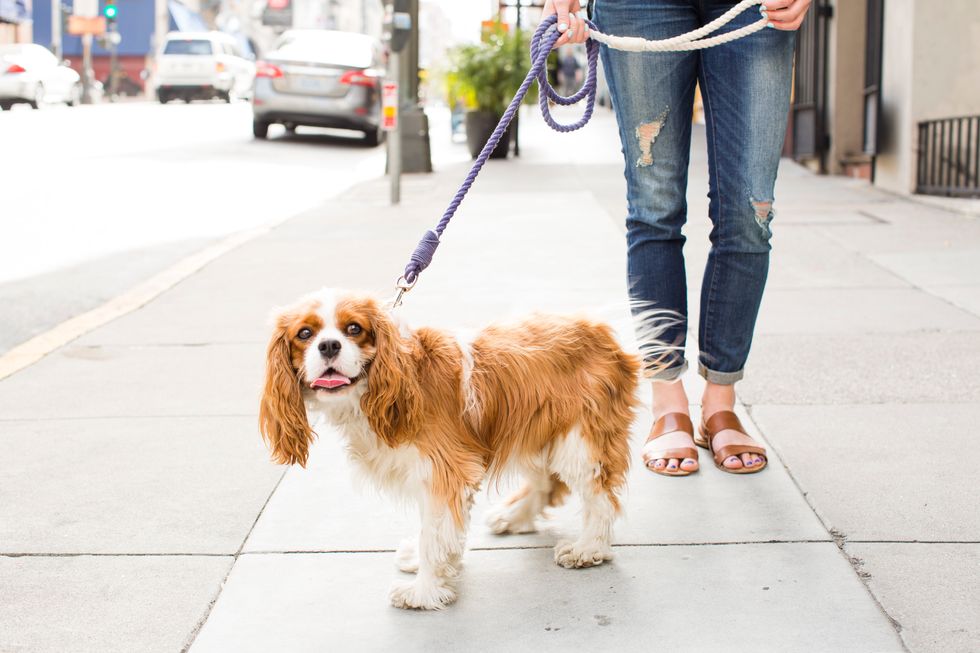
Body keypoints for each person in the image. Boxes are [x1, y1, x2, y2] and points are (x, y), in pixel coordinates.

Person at [542, 0, 812, 476]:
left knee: (751, 212)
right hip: (638, 6)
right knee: (654, 207)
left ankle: (720, 400)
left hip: (754, 6)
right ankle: (668, 400)